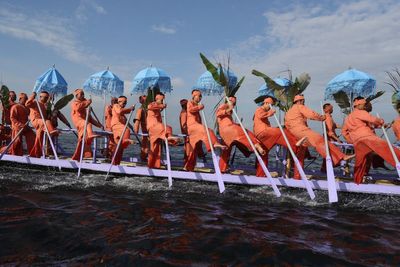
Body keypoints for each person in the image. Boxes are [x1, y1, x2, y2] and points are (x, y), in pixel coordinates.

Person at [285, 94, 354, 170]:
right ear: (300, 101)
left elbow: (287, 124)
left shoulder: (290, 111)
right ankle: (339, 157)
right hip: (302, 130)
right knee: (319, 141)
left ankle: (336, 158)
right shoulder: (300, 107)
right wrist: (321, 117)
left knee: (318, 143)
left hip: (295, 132)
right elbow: (311, 114)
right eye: (303, 101)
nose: (304, 103)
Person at [344, 97, 397, 183]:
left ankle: (358, 181)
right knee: (390, 150)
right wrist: (381, 121)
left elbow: (344, 131)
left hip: (357, 141)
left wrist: (351, 141)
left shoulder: (349, 117)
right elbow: (374, 120)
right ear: (358, 105)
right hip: (368, 138)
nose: (365, 106)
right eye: (364, 104)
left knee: (361, 162)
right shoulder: (361, 112)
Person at [253, 96, 307, 178]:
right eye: (270, 105)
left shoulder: (263, 111)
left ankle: (260, 175)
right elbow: (261, 115)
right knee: (281, 132)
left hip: (263, 135)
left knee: (264, 154)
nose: (271, 107)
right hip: (263, 132)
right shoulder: (259, 110)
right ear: (266, 103)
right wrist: (270, 113)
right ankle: (295, 144)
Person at [216, 96, 265, 173]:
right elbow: (218, 114)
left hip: (229, 131)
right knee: (242, 133)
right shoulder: (224, 106)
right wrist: (229, 109)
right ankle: (254, 145)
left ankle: (222, 168)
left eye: (234, 102)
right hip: (227, 130)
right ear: (228, 100)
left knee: (228, 149)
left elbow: (226, 120)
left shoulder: (229, 110)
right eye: (232, 101)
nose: (233, 103)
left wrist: (236, 124)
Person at [184, 90, 225, 171]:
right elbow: (190, 110)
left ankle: (188, 166)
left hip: (197, 128)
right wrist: (200, 107)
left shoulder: (197, 104)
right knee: (206, 129)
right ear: (193, 96)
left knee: (194, 149)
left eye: (200, 96)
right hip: (192, 127)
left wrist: (199, 107)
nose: (199, 98)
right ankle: (214, 144)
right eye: (198, 96)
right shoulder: (190, 102)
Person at [146, 92, 180, 169]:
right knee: (166, 128)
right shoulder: (152, 104)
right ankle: (169, 139)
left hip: (158, 129)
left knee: (156, 148)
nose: (163, 101)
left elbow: (157, 109)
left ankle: (154, 165)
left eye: (163, 100)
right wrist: (162, 106)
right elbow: (150, 107)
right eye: (162, 100)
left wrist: (161, 107)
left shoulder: (158, 107)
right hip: (153, 127)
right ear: (157, 99)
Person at [70, 89, 102, 161]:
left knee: (85, 140)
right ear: (76, 95)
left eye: (83, 94)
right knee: (87, 125)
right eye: (81, 94)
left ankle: (87, 154)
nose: (83, 95)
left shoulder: (84, 107)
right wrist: (87, 102)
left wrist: (99, 125)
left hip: (85, 125)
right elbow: (78, 108)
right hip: (79, 122)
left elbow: (90, 118)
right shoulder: (74, 103)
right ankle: (90, 134)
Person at [25, 91, 59, 158]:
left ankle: (36, 153)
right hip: (37, 121)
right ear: (40, 97)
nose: (46, 98)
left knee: (39, 138)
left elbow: (50, 110)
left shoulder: (45, 105)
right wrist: (33, 96)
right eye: (45, 97)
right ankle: (51, 131)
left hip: (42, 124)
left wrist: (51, 98)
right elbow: (27, 104)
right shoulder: (35, 103)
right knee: (46, 121)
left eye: (47, 97)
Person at [111, 96, 136, 165]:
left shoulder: (122, 110)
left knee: (120, 147)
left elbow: (125, 119)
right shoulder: (116, 106)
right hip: (116, 126)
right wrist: (130, 109)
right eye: (124, 103)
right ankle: (126, 140)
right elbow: (120, 111)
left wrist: (131, 126)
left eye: (126, 103)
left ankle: (116, 163)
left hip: (121, 127)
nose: (124, 104)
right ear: (119, 102)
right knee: (126, 130)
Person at [133, 95, 148, 161]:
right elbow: (137, 121)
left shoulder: (150, 108)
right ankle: (144, 159)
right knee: (145, 148)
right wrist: (136, 130)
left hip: (154, 132)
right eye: (144, 96)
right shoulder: (140, 110)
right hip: (146, 133)